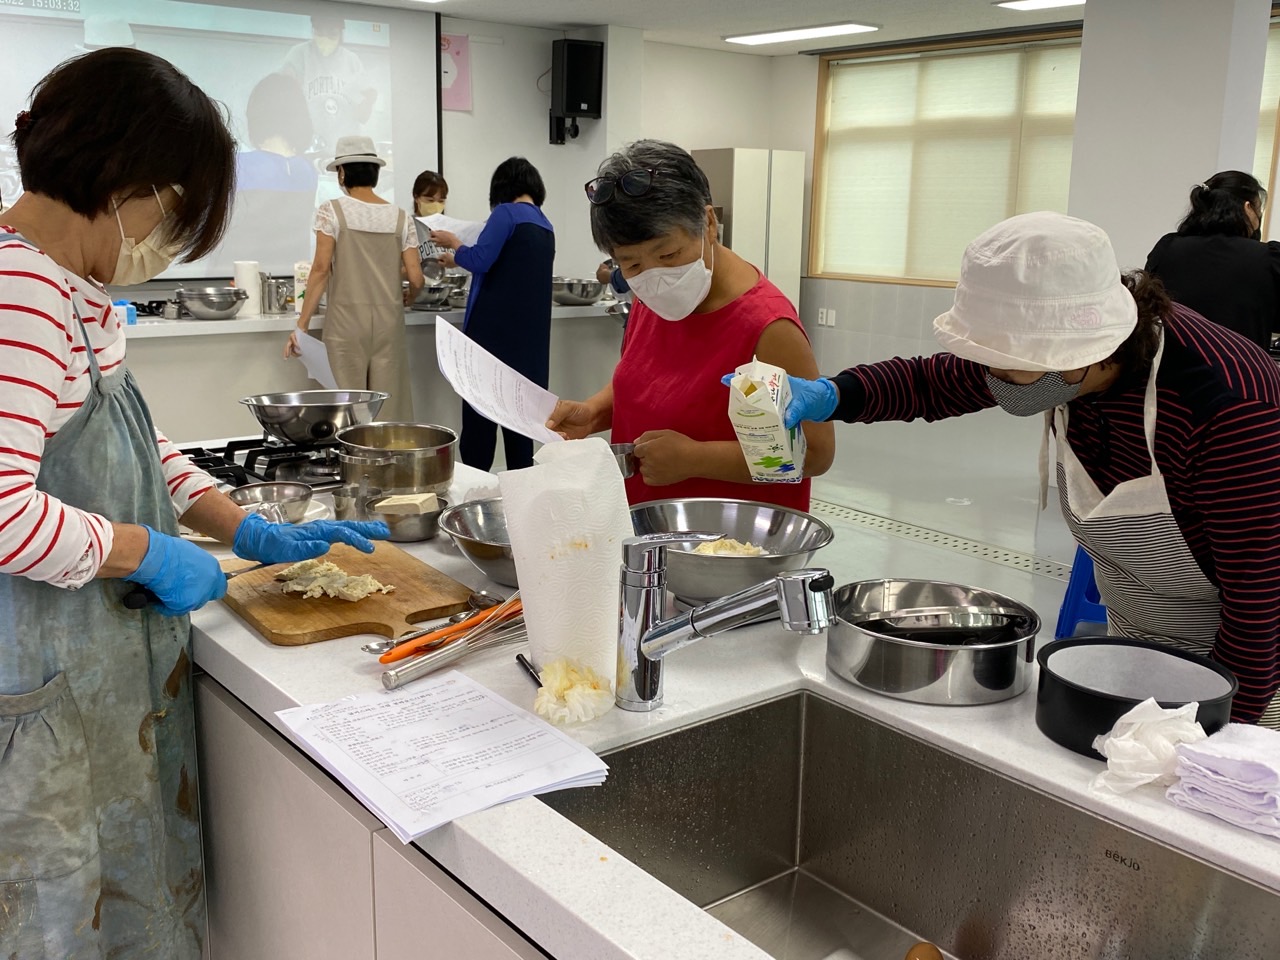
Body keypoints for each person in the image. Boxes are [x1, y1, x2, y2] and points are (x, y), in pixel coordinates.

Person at [0, 49, 387, 958]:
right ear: (130, 186)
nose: (166, 245)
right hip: (44, 696)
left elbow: (135, 441)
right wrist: (144, 550)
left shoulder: (73, 288)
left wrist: (239, 524)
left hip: (94, 680)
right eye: (174, 217)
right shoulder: (18, 293)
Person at [782, 211, 1280, 727]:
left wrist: (1220, 741)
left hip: (1252, 677)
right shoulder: (1070, 367)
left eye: (1005, 366)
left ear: (1074, 351)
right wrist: (837, 394)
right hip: (1138, 638)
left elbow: (1260, 610)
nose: (989, 379)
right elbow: (936, 382)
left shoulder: (1229, 409)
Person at [546, 140, 833, 509]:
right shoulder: (653, 297)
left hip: (727, 542)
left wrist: (696, 459)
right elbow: (648, 384)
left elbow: (813, 453)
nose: (655, 275)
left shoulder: (764, 326)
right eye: (631, 264)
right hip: (646, 523)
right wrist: (593, 413)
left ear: (708, 222)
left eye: (668, 254)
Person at [286, 135, 423, 421]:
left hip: (346, 323)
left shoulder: (331, 211)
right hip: (389, 323)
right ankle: (389, 463)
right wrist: (411, 294)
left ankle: (351, 464)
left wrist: (302, 325)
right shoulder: (400, 217)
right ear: (375, 172)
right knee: (388, 409)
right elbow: (416, 276)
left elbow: (321, 269)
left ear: (343, 172)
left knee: (347, 410)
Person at [431, 157, 554, 470]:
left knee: (479, 422)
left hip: (491, 339)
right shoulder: (544, 224)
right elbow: (508, 267)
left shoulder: (506, 214)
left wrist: (454, 243)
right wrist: (460, 258)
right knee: (519, 427)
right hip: (529, 346)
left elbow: (482, 260)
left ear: (501, 187)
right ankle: (522, 499)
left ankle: (474, 492)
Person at [1144, 170, 1280, 350]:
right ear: (1248, 207)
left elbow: (1149, 306)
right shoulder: (1268, 258)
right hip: (1239, 370)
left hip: (1170, 371)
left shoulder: (1167, 247)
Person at [224, 72, 318, 269]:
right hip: (293, 282)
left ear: (257, 115)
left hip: (238, 279)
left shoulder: (238, 166)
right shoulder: (308, 171)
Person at [281, 14, 377, 155]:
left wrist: (369, 101)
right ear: (313, 31)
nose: (325, 39)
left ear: (340, 34)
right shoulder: (299, 55)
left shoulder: (352, 61)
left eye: (332, 34)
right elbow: (285, 100)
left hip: (345, 151)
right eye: (320, 32)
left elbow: (362, 117)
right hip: (309, 149)